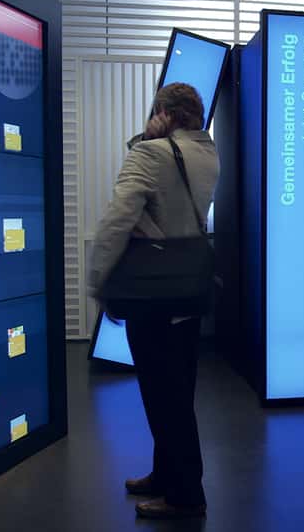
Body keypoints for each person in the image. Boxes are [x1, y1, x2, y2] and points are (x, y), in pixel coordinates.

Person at [87, 82, 218, 519]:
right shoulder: (208, 153)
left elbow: (117, 220)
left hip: (153, 291)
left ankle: (185, 496)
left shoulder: (150, 154)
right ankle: (166, 475)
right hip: (187, 288)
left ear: (165, 113)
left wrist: (98, 279)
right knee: (177, 393)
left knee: (164, 400)